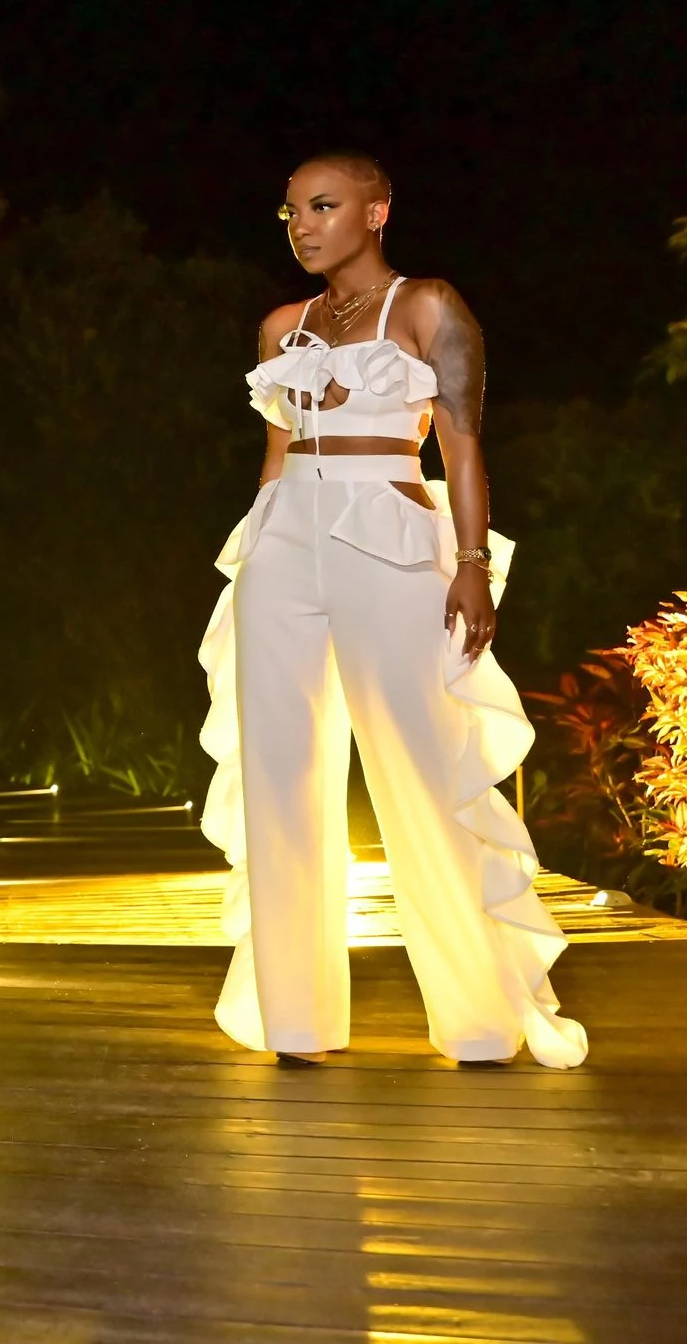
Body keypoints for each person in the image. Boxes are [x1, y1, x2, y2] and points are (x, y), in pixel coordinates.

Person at [195, 153, 587, 1069]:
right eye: (291, 211)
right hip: (283, 545)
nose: (303, 225)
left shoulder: (428, 306)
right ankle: (296, 1019)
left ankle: (479, 1018)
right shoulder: (282, 327)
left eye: (323, 206)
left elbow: (464, 446)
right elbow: (274, 456)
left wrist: (472, 566)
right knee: (280, 773)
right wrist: (253, 558)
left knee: (421, 764)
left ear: (376, 212)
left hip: (391, 538)